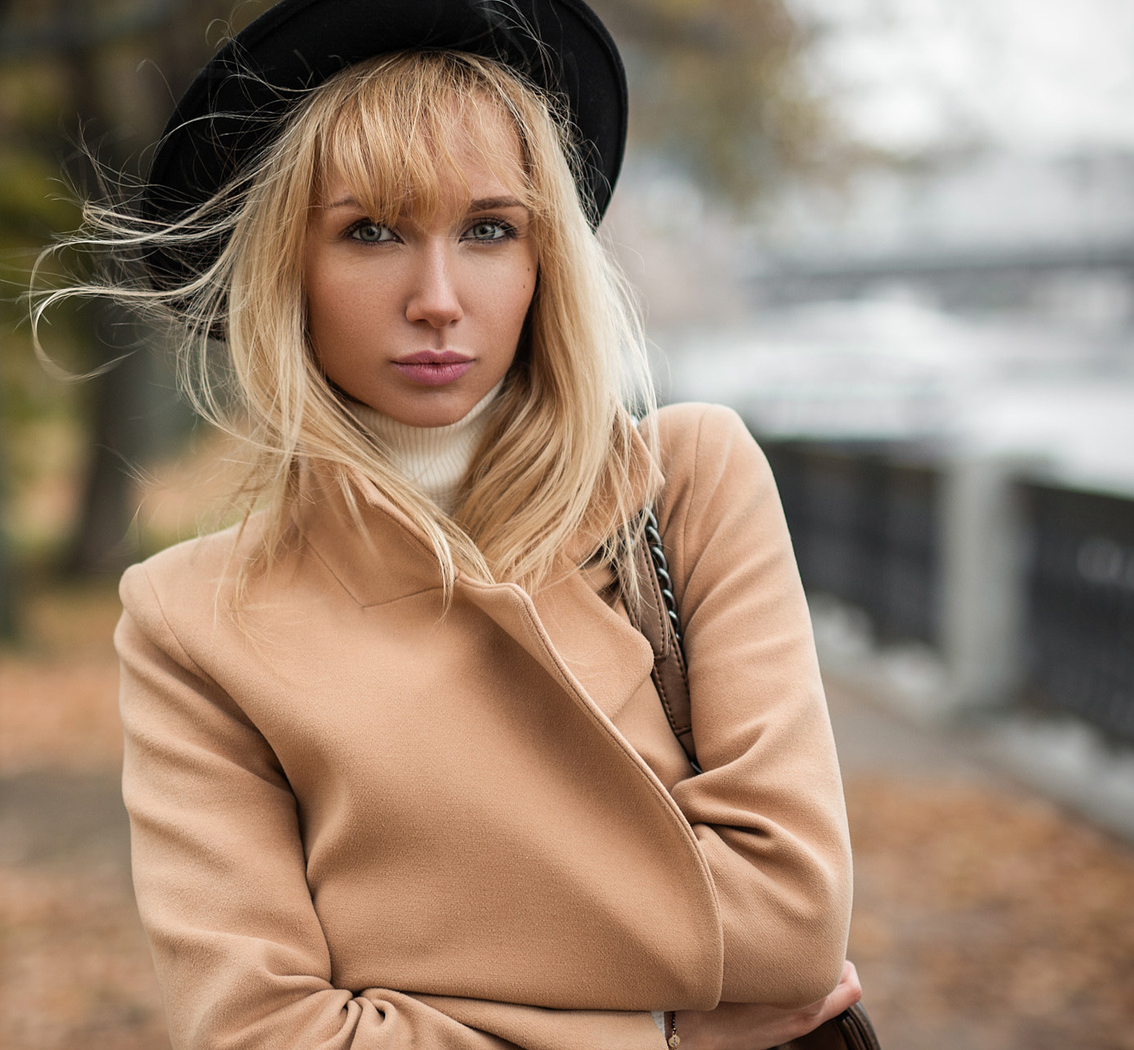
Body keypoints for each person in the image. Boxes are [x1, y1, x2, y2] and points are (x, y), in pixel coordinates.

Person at [67, 1, 861, 1046]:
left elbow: (795, 921)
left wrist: (392, 958)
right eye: (371, 232)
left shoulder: (686, 485)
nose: (437, 298)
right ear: (284, 267)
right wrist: (660, 1028)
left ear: (546, 262)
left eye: (489, 229)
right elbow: (264, 1033)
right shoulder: (193, 624)